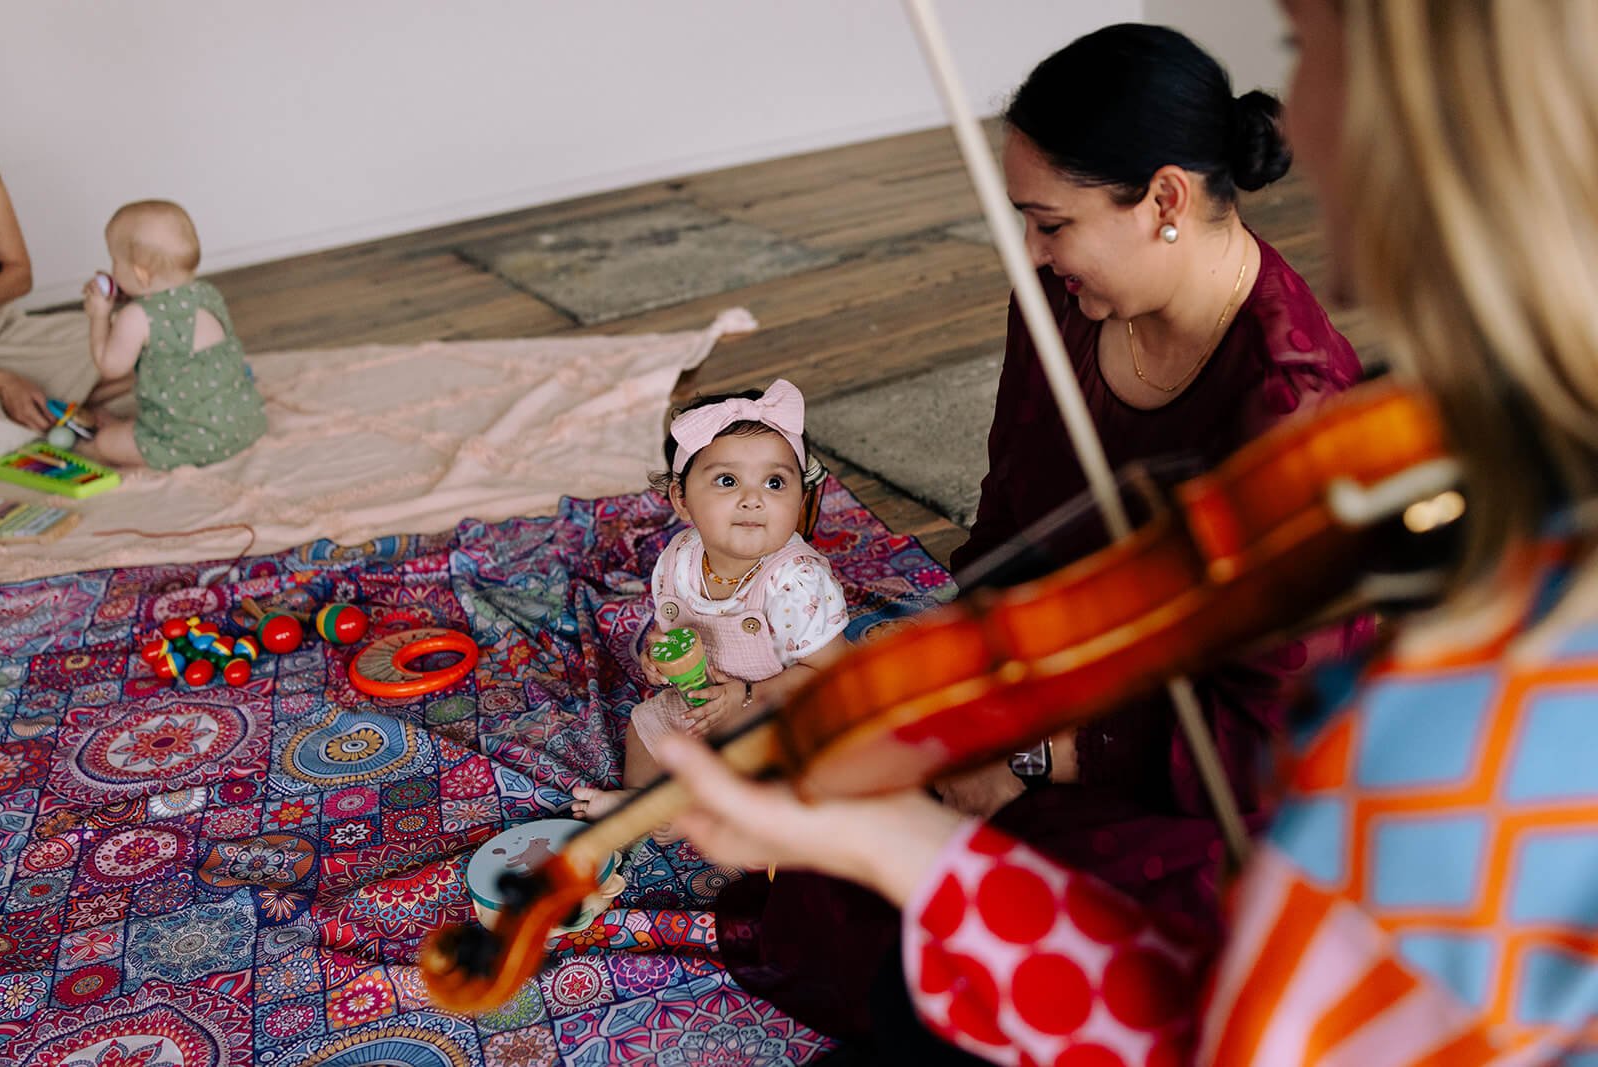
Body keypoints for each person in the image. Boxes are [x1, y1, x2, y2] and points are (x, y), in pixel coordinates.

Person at [659, 0, 1598, 1062]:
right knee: (877, 915)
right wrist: (922, 780)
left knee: (919, 983)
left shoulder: (1472, 669)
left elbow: (1253, 1000)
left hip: (1168, 774)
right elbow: (1008, 529)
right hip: (1072, 718)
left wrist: (1022, 761)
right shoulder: (1488, 535)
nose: (1293, 110)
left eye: (1305, 47)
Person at [712, 23, 1371, 1047]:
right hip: (1053, 683)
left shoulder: (1290, 414)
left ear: (1163, 201)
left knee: (1042, 928)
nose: (1031, 251)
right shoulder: (1065, 303)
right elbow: (1011, 526)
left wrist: (1033, 756)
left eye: (1050, 221)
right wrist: (945, 684)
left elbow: (1264, 746)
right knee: (848, 821)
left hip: (1202, 772)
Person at [570, 379, 849, 828]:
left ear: (801, 498)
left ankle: (697, 814)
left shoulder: (796, 582)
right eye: (727, 480)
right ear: (682, 499)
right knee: (647, 725)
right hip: (708, 705)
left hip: (784, 714)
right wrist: (657, 656)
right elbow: (675, 631)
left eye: (775, 482)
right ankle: (643, 805)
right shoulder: (679, 559)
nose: (753, 498)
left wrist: (749, 695)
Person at [76, 199, 265, 469]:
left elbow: (110, 365)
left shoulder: (136, 317)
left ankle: (159, 444)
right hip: (245, 423)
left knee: (105, 441)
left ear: (141, 274)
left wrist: (99, 316)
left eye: (114, 261)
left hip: (190, 441)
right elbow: (168, 316)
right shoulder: (206, 293)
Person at [0, 172, 130, 454]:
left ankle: (46, 409)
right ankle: (52, 406)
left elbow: (19, 273)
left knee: (138, 339)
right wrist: (4, 380)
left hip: (7, 334)